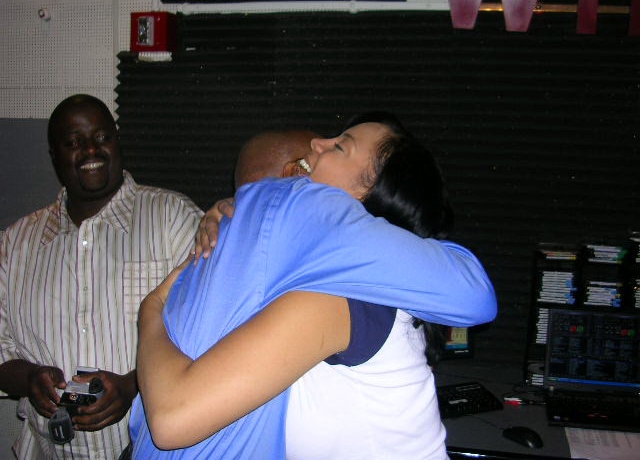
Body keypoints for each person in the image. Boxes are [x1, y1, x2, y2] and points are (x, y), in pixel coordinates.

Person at [130, 111, 497, 458]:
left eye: (340, 147)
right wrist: (235, 213)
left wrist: (151, 312)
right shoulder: (327, 270)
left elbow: (173, 419)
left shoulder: (334, 298)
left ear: (360, 202)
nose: (318, 143)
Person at [0, 94, 203, 459]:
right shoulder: (16, 243)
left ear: (117, 140)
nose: (91, 150)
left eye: (101, 137)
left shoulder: (174, 219)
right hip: (47, 450)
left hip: (146, 449)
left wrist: (134, 384)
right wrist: (30, 379)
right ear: (55, 155)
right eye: (74, 142)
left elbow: (211, 331)